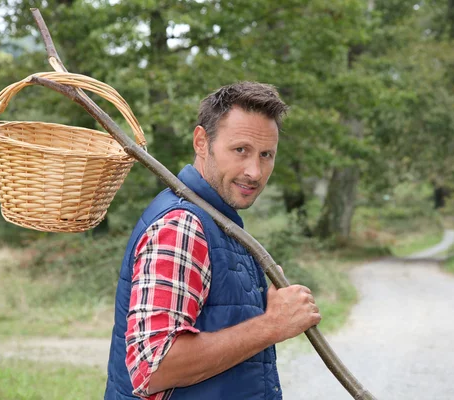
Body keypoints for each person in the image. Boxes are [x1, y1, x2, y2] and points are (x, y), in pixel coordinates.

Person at [104, 82, 322, 400]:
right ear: (201, 142)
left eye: (266, 155)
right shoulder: (182, 225)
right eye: (240, 150)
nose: (255, 171)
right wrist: (272, 325)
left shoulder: (220, 223)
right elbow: (155, 368)